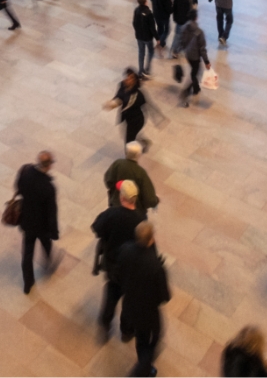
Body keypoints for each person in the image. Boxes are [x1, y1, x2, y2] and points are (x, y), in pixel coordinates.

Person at [118, 221, 171, 376]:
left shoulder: (125, 250)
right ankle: (141, 371)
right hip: (148, 313)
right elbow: (164, 297)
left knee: (141, 339)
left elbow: (120, 272)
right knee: (154, 340)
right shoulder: (155, 266)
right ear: (151, 239)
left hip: (129, 305)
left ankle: (145, 368)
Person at [92, 181, 141, 338]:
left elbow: (97, 228)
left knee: (111, 295)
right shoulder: (140, 221)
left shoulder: (111, 214)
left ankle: (105, 324)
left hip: (113, 264)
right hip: (131, 270)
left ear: (122, 197)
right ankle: (126, 331)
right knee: (130, 300)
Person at [14, 151, 59, 294]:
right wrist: (54, 231)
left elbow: (19, 188)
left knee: (27, 253)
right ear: (49, 166)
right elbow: (52, 212)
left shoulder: (26, 172)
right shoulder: (48, 187)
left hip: (27, 221)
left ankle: (28, 283)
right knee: (46, 244)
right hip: (42, 225)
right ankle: (49, 263)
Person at [104, 141, 159, 218]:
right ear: (138, 155)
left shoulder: (117, 163)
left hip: (115, 205)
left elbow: (108, 181)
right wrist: (156, 201)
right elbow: (150, 199)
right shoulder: (140, 172)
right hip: (136, 212)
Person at [105, 69, 146, 145]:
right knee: (130, 137)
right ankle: (142, 142)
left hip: (136, 121)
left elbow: (126, 104)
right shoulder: (122, 85)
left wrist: (113, 104)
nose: (127, 79)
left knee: (129, 141)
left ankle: (131, 154)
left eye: (130, 78)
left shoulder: (136, 95)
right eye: (127, 76)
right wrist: (113, 102)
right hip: (127, 118)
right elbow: (119, 95)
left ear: (135, 81)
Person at [132, 0, 156, 77]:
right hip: (148, 37)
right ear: (145, 2)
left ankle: (140, 71)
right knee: (151, 52)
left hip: (139, 36)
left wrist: (137, 31)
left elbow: (134, 23)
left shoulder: (136, 10)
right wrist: (157, 38)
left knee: (141, 53)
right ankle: (147, 69)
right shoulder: (149, 13)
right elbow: (152, 27)